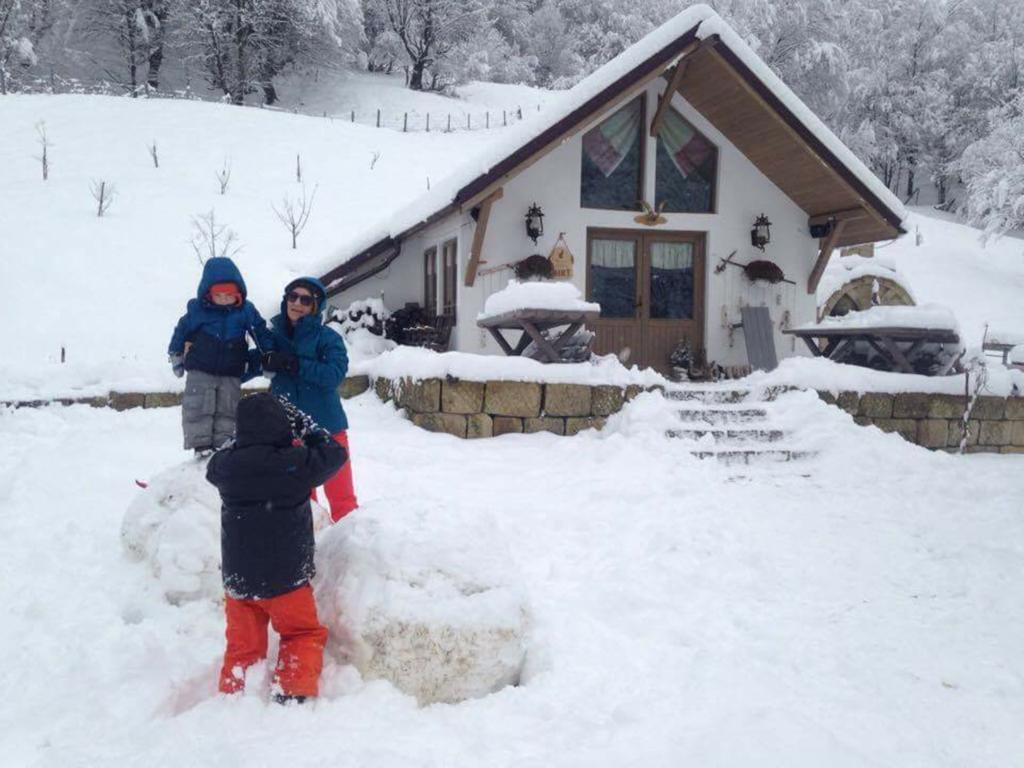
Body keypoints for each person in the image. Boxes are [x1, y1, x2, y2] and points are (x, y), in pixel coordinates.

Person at [206, 393, 347, 703]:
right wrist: (306, 427)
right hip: (286, 581)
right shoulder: (294, 464)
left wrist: (238, 440)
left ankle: (235, 693)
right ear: (283, 427)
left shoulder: (226, 468)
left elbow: (214, 462)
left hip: (239, 582)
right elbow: (335, 453)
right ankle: (293, 690)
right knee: (301, 634)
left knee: (242, 646)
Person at [262, 277, 358, 521]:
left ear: (316, 306)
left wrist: (294, 363)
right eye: (293, 297)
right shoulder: (274, 338)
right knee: (301, 502)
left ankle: (352, 552)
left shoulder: (328, 338)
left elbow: (333, 375)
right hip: (289, 431)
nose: (297, 303)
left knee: (343, 501)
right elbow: (247, 366)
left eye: (305, 299)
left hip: (327, 429)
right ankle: (307, 550)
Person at [168, 257, 275, 455]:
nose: (225, 298)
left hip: (231, 370)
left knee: (228, 406)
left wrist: (268, 355)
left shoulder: (245, 311)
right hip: (200, 367)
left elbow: (260, 331)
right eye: (219, 294)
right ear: (209, 293)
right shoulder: (197, 311)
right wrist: (175, 354)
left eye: (230, 294)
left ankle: (223, 444)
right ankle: (201, 445)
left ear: (239, 293)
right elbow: (181, 331)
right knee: (198, 405)